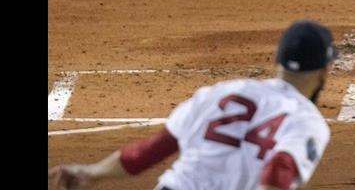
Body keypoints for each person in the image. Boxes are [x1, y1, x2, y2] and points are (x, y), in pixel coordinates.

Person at [48, 20, 337, 189]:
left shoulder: (224, 91)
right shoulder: (308, 121)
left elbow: (153, 149)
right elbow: (278, 171)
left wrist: (91, 172)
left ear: (277, 62)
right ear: (324, 70)